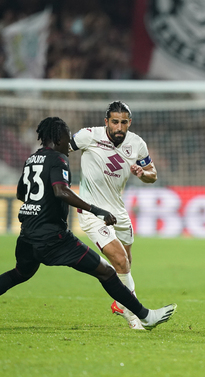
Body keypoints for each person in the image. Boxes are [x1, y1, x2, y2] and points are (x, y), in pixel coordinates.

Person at [0, 117, 176, 330]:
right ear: (58, 137)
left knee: (19, 273)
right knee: (107, 272)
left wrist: (39, 204)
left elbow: (21, 192)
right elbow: (61, 190)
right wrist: (95, 209)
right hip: (54, 237)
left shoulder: (32, 159)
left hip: (28, 233)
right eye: (67, 137)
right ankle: (146, 316)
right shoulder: (58, 159)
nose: (69, 143)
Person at [70, 101, 156, 330]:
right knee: (119, 260)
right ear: (106, 121)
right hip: (91, 212)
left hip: (118, 211)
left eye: (124, 122)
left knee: (126, 261)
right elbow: (60, 149)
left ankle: (120, 303)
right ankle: (134, 313)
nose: (119, 127)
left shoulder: (137, 144)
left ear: (129, 123)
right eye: (115, 122)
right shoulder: (88, 136)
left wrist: (142, 173)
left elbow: (153, 174)